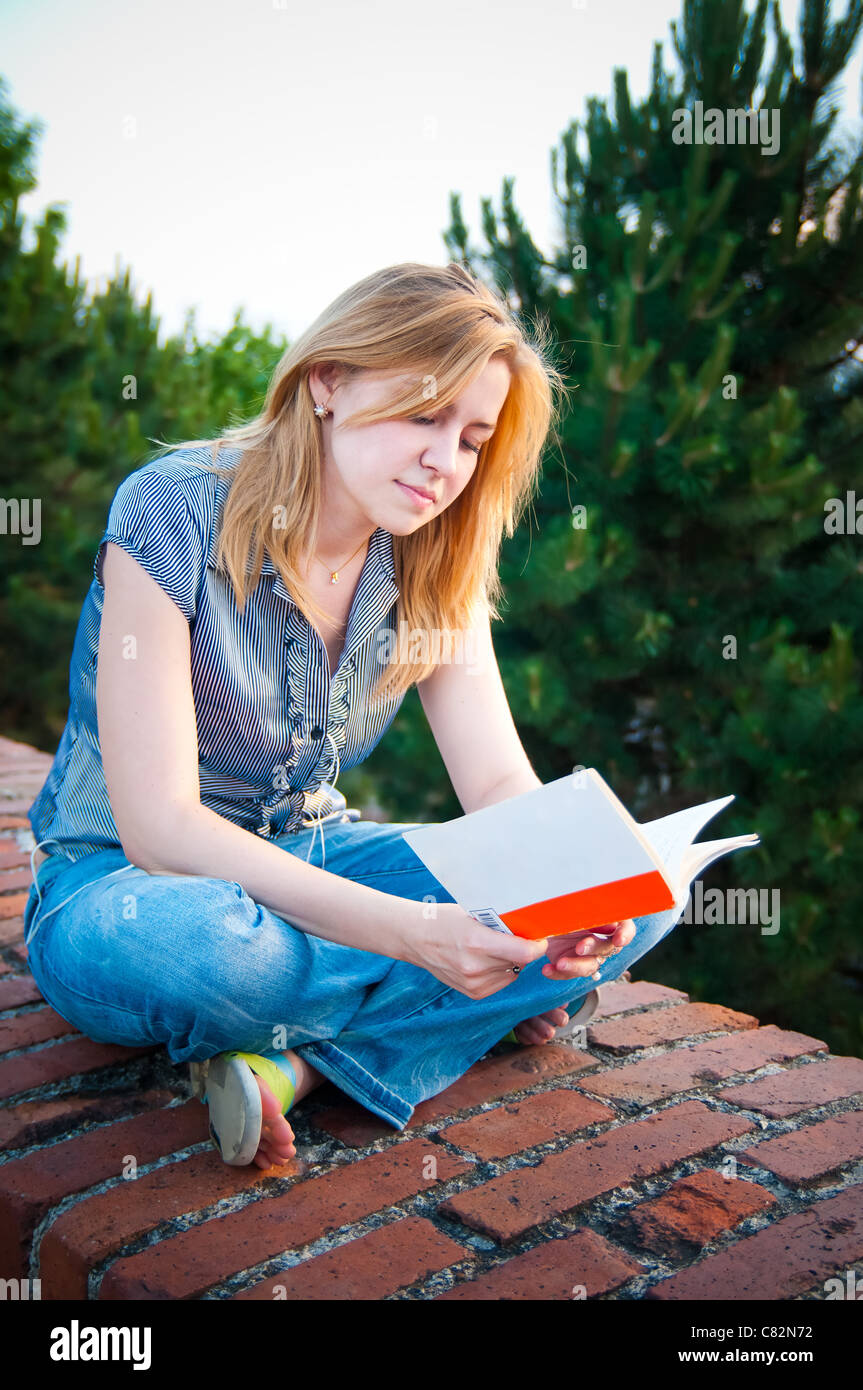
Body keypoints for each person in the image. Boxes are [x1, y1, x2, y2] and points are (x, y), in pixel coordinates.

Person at [24, 261, 685, 1170]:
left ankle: (299, 1067)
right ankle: (450, 1007)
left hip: (317, 854)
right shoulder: (172, 509)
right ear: (327, 381)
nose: (443, 464)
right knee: (214, 957)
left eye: (472, 439)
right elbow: (160, 827)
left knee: (642, 900)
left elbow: (494, 781)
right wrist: (418, 935)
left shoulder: (435, 557)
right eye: (423, 415)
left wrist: (572, 888)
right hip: (123, 885)